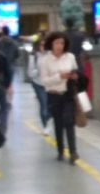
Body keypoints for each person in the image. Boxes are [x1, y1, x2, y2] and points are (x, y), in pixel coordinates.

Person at [39, 31, 80, 165]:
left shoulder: (70, 57)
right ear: (51, 43)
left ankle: (73, 152)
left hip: (67, 94)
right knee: (58, 123)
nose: (59, 46)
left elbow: (76, 71)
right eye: (56, 43)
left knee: (69, 122)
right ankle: (60, 150)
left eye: (62, 43)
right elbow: (44, 81)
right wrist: (59, 77)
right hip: (53, 95)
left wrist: (74, 76)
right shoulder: (45, 60)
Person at [27, 37, 50, 134]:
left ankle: (49, 119)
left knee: (51, 105)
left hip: (50, 83)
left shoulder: (51, 56)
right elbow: (30, 73)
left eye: (45, 45)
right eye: (41, 45)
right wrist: (39, 69)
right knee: (43, 105)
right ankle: (45, 125)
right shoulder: (34, 57)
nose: (43, 47)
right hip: (38, 84)